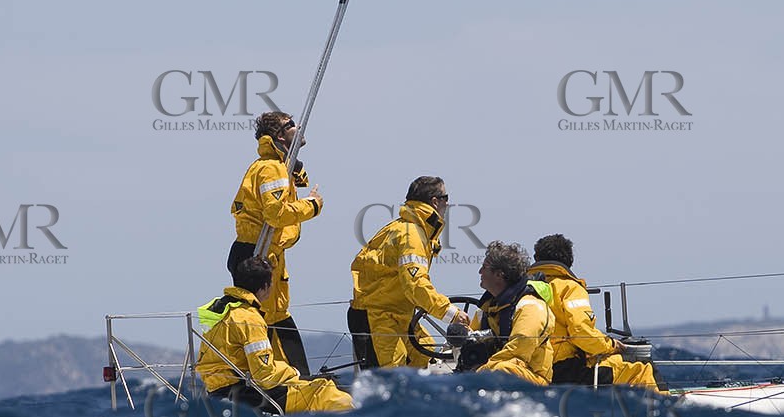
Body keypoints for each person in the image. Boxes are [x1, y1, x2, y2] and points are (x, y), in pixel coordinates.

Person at [195, 256, 354, 414]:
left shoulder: (221, 309)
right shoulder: (249, 318)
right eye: (271, 284)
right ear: (264, 288)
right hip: (246, 393)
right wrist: (293, 372)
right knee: (324, 390)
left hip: (217, 390)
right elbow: (264, 375)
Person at [229, 111, 321, 377]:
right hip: (257, 252)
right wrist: (312, 206)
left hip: (267, 253)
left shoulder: (277, 165)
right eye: (291, 125)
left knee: (277, 315)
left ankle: (297, 377)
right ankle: (267, 379)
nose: (299, 126)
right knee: (262, 318)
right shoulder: (270, 168)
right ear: (280, 135)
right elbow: (275, 213)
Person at [348, 176, 470, 369]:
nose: (448, 204)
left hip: (396, 315)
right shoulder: (411, 235)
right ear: (435, 201)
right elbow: (415, 284)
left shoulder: (404, 227)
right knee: (390, 380)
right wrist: (451, 313)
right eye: (446, 198)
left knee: (425, 353)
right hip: (379, 318)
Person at [528, 233, 662, 390]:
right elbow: (581, 332)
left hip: (534, 369)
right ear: (569, 261)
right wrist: (611, 345)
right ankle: (665, 407)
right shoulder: (569, 287)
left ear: (537, 259)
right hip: (566, 372)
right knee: (641, 366)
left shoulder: (526, 288)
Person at [460, 241, 556, 386]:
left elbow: (517, 352)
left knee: (502, 369)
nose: (480, 272)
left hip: (532, 379)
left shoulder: (530, 307)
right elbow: (470, 340)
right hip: (492, 375)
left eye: (484, 267)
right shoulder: (485, 311)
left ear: (499, 275)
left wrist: (477, 374)